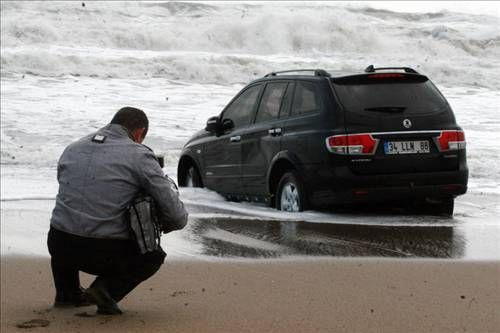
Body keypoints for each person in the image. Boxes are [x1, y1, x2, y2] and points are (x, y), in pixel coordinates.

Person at [47, 106, 188, 315]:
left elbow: (67, 188)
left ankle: (67, 293)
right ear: (139, 133)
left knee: (69, 219)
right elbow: (175, 214)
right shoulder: (138, 155)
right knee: (153, 256)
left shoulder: (73, 148)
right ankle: (104, 290)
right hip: (104, 253)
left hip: (59, 246)